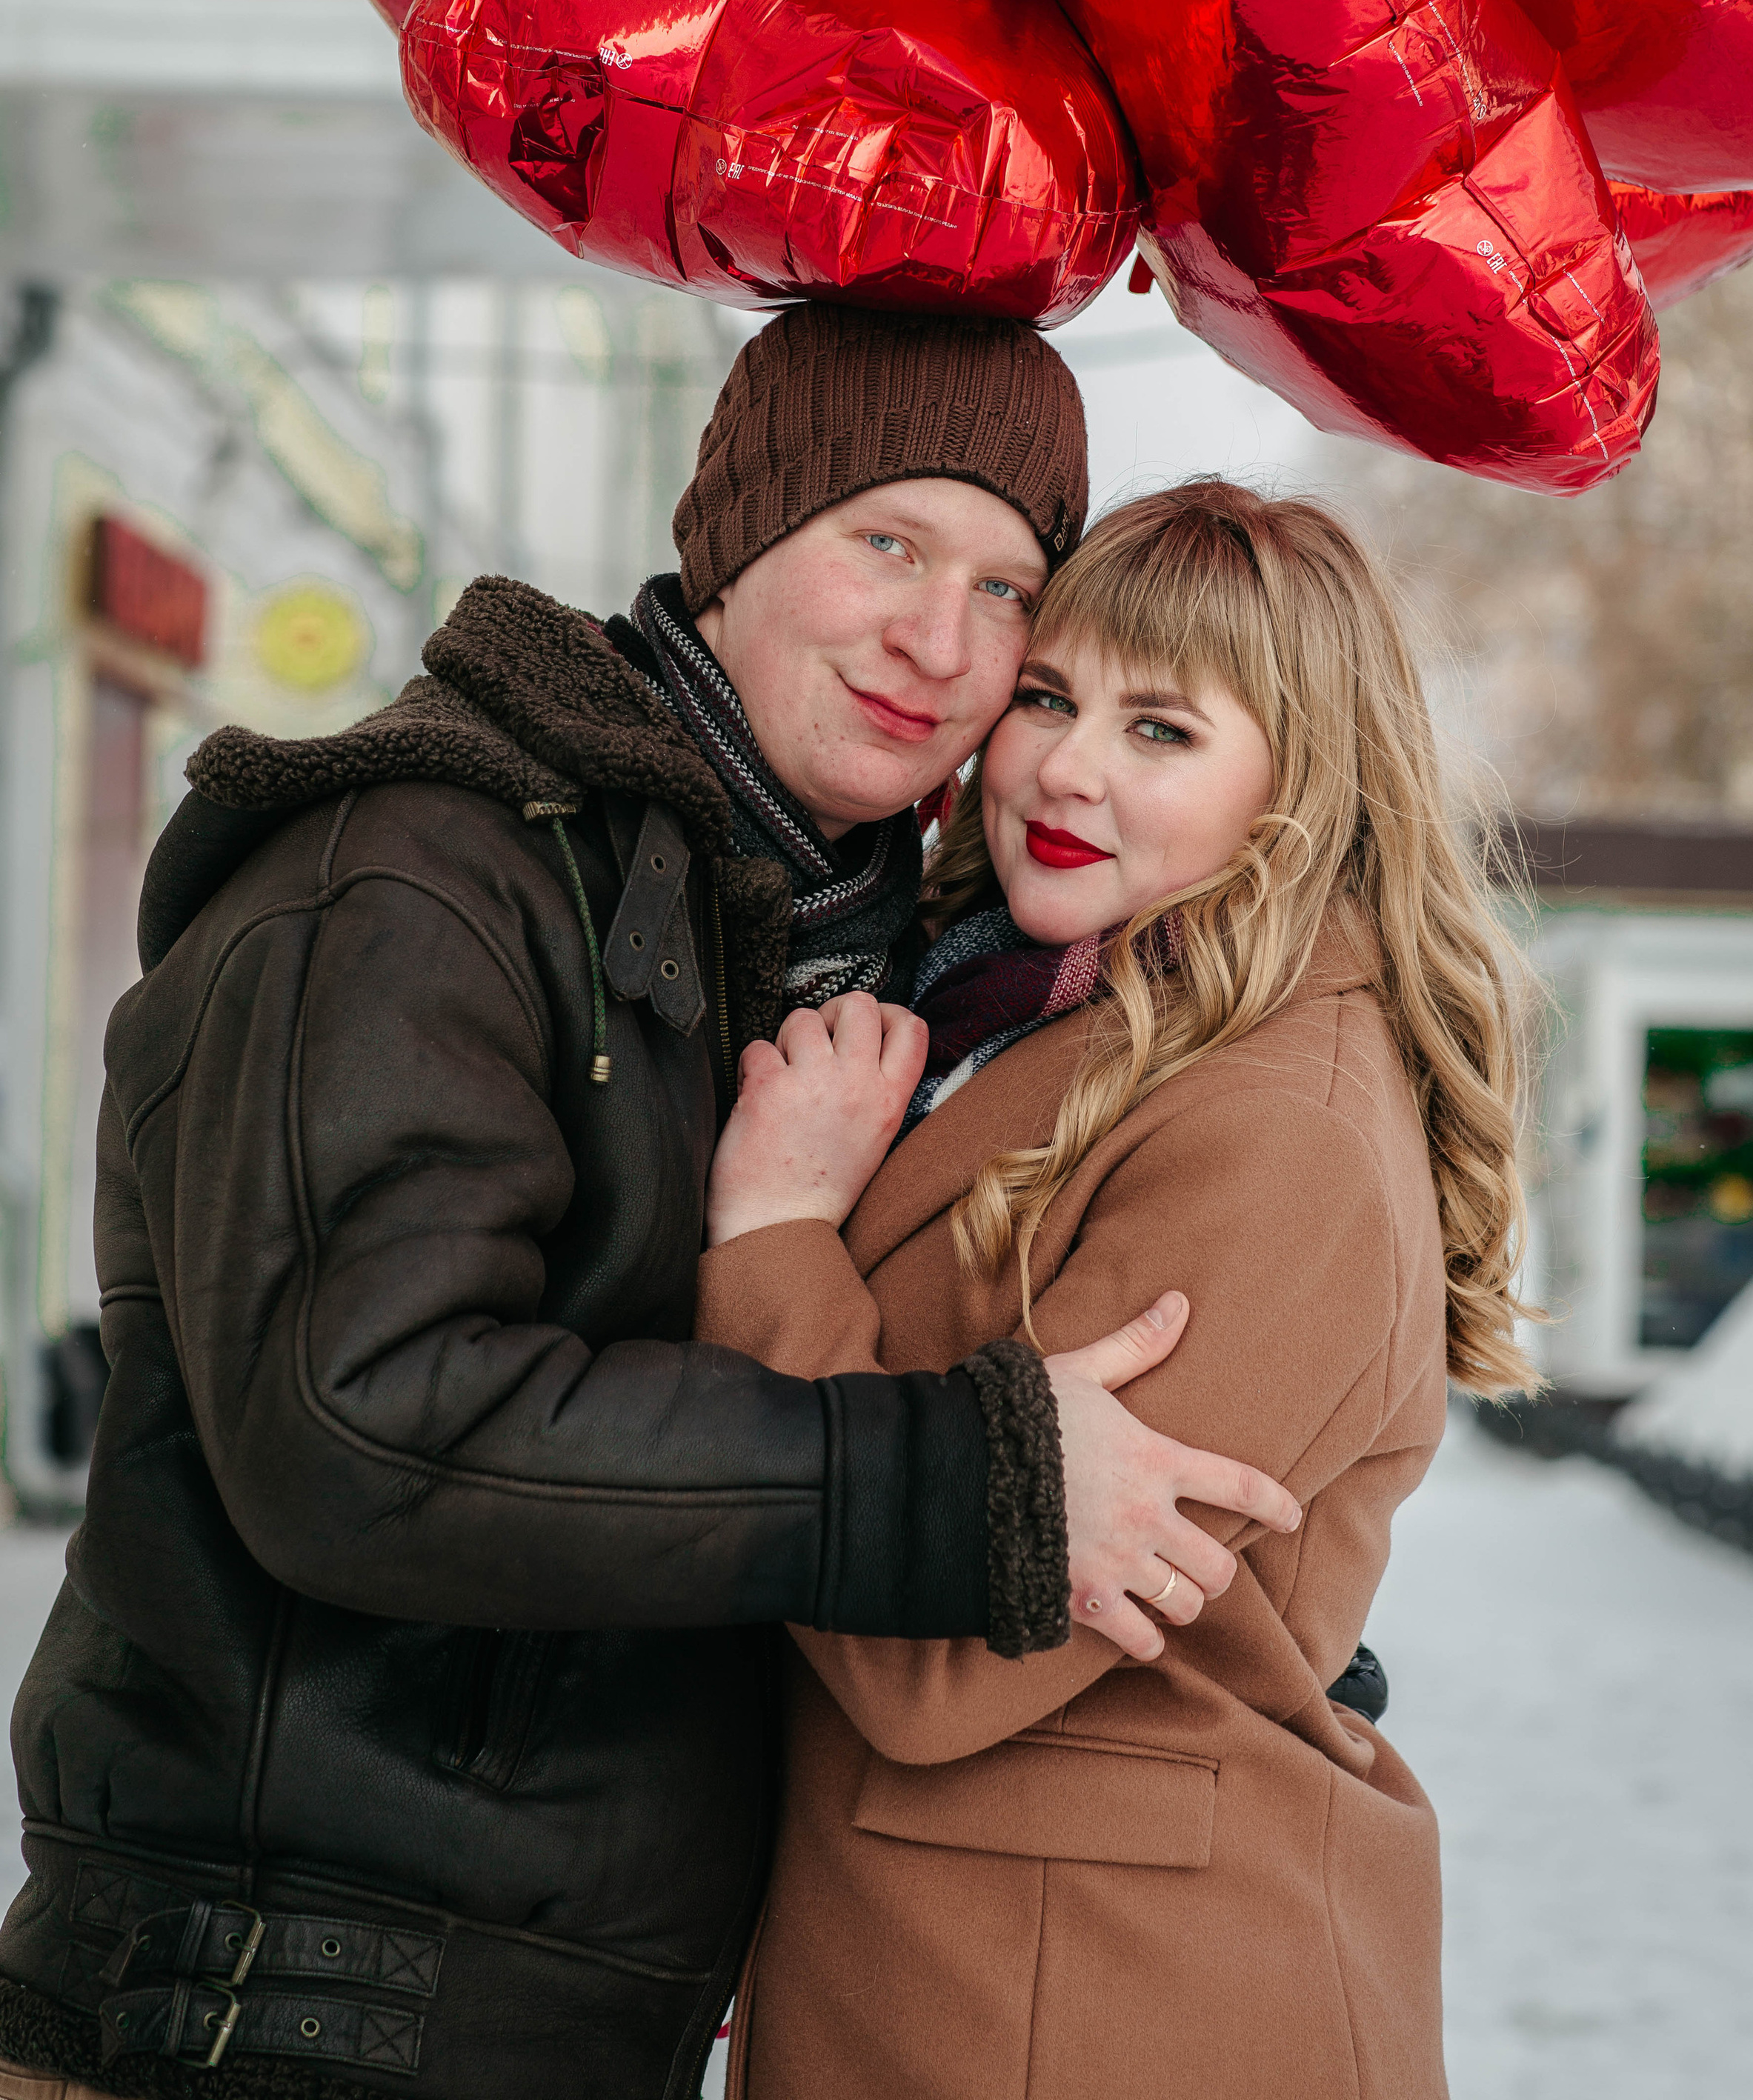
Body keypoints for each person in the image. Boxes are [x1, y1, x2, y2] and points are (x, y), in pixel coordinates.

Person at [0, 315, 1299, 2100]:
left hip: (545, 2021)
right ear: (738, 535)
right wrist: (954, 1485)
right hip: (278, 2014)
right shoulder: (414, 881)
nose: (942, 644)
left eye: (1009, 589)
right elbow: (365, 1431)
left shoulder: (788, 942)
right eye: (889, 544)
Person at [696, 479, 1542, 2099]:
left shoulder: (1268, 1134)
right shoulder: (1042, 1013)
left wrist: (777, 1239)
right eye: (1045, 697)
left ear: (1302, 783)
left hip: (1090, 2005)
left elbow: (952, 1656)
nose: (1063, 768)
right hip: (969, 1966)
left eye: (1162, 729)